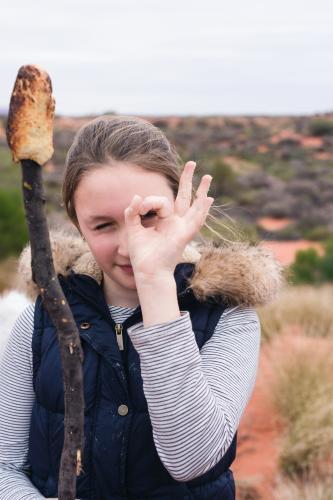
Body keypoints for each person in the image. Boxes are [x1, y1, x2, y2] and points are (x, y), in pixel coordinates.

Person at [0, 115, 282, 499]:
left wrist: (155, 283)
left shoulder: (229, 318)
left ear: (180, 207)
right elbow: (5, 464)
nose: (129, 245)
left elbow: (192, 459)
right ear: (77, 224)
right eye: (102, 226)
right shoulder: (41, 318)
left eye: (148, 216)